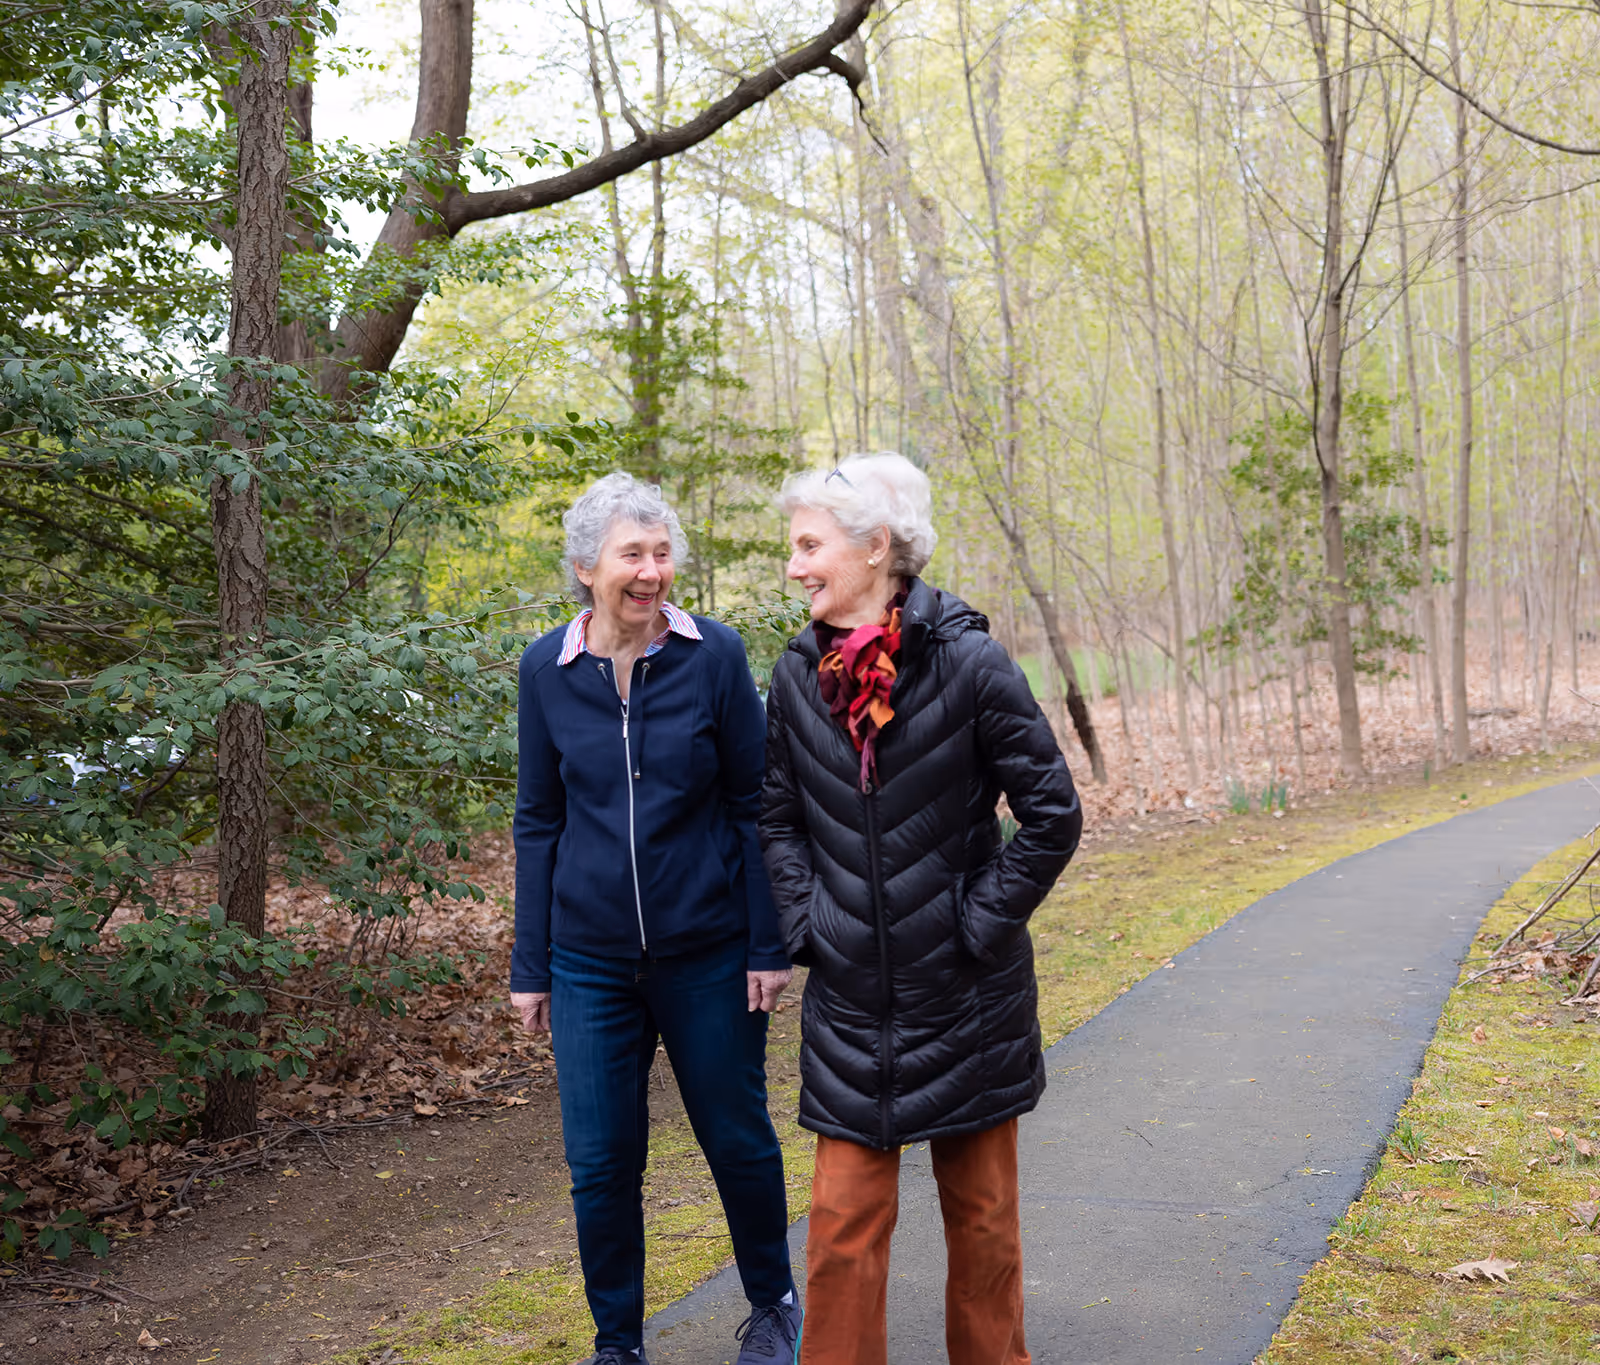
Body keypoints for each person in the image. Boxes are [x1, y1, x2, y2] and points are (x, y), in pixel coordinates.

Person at [759, 453, 1082, 1365]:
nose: (795, 565)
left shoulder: (970, 662)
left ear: (878, 546)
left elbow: (1052, 814)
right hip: (851, 1006)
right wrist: (809, 922)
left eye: (811, 545)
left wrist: (975, 924)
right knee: (840, 1238)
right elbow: (774, 816)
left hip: (968, 1002)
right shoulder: (795, 677)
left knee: (983, 1235)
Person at [510, 471, 802, 1365]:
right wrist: (531, 965)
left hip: (709, 952)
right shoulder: (546, 669)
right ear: (585, 567)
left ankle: (773, 1303)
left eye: (661, 551)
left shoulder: (713, 654)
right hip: (589, 962)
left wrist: (767, 940)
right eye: (631, 554)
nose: (651, 571)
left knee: (734, 1135)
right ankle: (618, 1343)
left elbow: (755, 803)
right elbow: (539, 818)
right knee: (600, 1161)